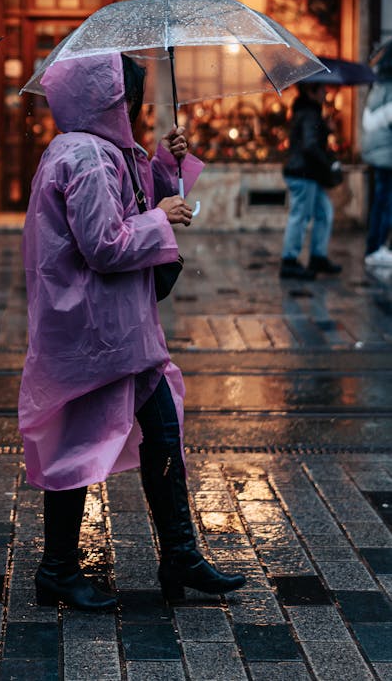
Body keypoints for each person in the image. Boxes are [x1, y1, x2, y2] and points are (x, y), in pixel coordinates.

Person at [18, 52, 245, 610]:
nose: (137, 112)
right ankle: (57, 570)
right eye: (132, 101)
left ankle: (180, 554)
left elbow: (134, 199)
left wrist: (166, 166)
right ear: (111, 101)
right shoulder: (88, 156)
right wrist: (161, 219)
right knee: (75, 444)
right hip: (97, 330)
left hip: (120, 329)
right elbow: (105, 244)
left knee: (163, 432)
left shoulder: (98, 150)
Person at [279, 82, 343, 280]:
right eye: (322, 89)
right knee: (300, 216)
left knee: (324, 213)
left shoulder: (310, 111)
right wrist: (328, 164)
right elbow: (310, 146)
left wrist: (326, 129)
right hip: (303, 173)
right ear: (311, 91)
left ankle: (318, 257)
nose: (326, 92)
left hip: (308, 173)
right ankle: (289, 262)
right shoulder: (309, 113)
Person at [361, 58, 392, 266]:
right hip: (387, 154)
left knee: (380, 201)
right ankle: (378, 247)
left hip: (377, 153)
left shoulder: (377, 88)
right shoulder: (390, 89)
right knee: (387, 202)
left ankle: (374, 246)